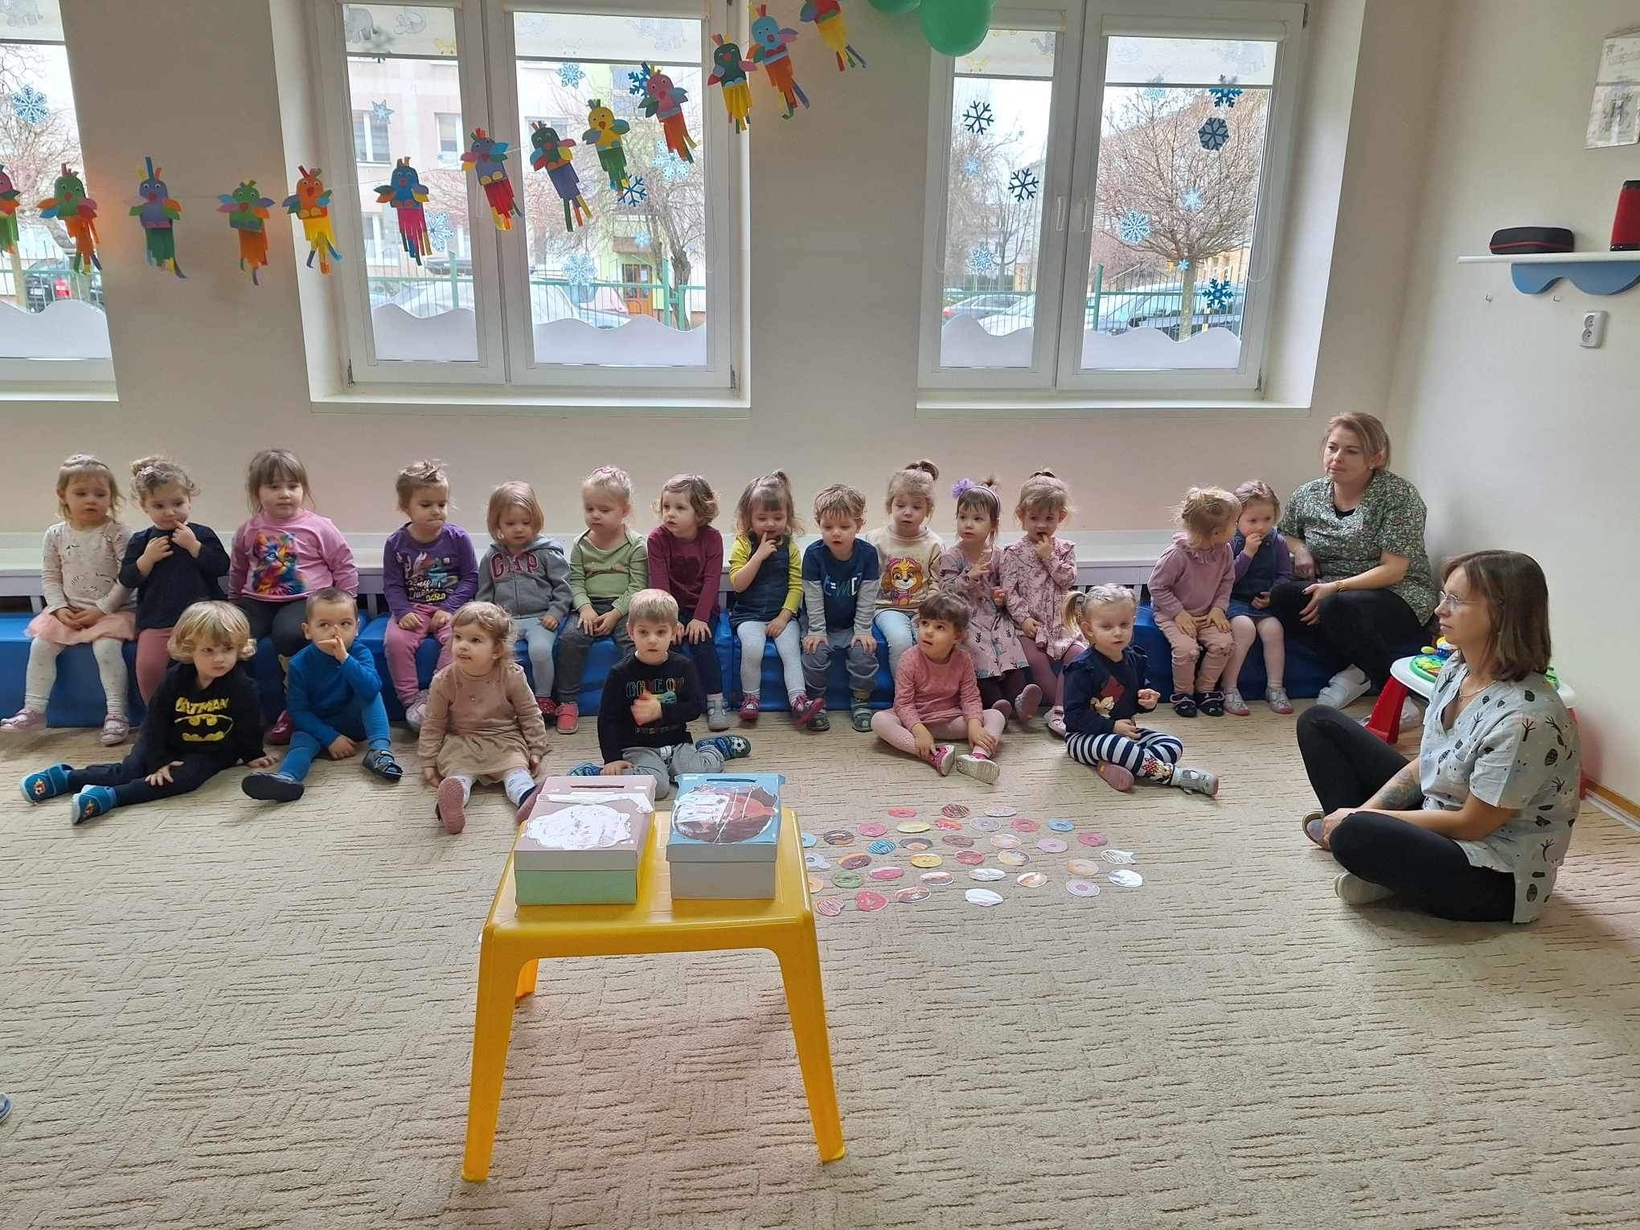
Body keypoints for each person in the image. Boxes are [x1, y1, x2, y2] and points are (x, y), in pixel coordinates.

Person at [1296, 550, 1580, 922]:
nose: (1439, 610)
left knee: (1355, 834)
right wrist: (1364, 811)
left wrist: (1357, 821)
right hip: (1441, 812)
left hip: (1494, 871)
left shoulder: (1527, 718)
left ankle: (1380, 865)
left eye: (1456, 601)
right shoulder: (1457, 668)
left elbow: (1473, 825)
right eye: (1445, 596)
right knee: (1319, 723)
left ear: (1502, 613)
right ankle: (1384, 865)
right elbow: (1429, 760)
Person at [20, 601, 273, 823]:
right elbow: (155, 723)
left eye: (227, 650)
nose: (219, 659)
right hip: (165, 742)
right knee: (130, 770)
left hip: (208, 752)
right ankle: (65, 778)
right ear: (190, 649)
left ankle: (110, 797)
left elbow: (249, 723)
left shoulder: (241, 686)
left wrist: (253, 754)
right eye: (209, 650)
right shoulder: (175, 680)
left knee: (182, 780)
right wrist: (158, 761)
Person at [1270, 413, 1436, 715]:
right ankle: (1356, 669)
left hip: (1396, 592)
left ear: (1375, 458)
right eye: (1332, 447)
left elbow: (1394, 570)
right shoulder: (1308, 494)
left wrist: (1336, 587)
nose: (1337, 458)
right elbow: (1286, 534)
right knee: (1282, 596)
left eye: (1351, 451)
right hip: (1330, 588)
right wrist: (1302, 549)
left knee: (1337, 607)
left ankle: (1396, 698)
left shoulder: (1399, 496)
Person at [1, 454, 134, 744]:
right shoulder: (55, 534)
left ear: (111, 497)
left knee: (106, 650)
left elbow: (128, 578)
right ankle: (34, 710)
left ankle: (116, 713)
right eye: (81, 493)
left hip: (113, 611)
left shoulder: (117, 533)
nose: (91, 500)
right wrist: (58, 608)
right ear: (63, 495)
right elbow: (50, 576)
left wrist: (102, 609)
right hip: (69, 610)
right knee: (41, 646)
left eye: (100, 494)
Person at [569, 588, 751, 797]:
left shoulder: (683, 667)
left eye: (661, 632)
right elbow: (607, 719)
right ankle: (597, 773)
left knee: (695, 779)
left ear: (674, 632)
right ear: (631, 632)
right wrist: (611, 759)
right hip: (638, 747)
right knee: (658, 788)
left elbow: (695, 707)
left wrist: (661, 710)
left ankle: (714, 749)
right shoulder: (620, 673)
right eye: (643, 632)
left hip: (677, 742)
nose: (652, 640)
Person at [229, 448, 357, 745]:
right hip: (256, 601)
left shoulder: (319, 527)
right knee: (230, 634)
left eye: (292, 486)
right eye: (274, 486)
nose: (285, 494)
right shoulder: (248, 530)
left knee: (289, 634)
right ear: (257, 492)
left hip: (305, 600)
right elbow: (238, 568)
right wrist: (233, 606)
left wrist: (346, 605)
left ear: (303, 489)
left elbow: (343, 564)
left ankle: (292, 708)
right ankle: (242, 707)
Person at [241, 588, 403, 801]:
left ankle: (380, 752)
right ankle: (287, 778)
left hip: (355, 721)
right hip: (319, 724)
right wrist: (330, 737)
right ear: (308, 631)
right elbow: (298, 711)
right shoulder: (299, 663)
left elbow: (371, 688)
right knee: (300, 739)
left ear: (356, 628)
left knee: (371, 694)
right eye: (324, 625)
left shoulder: (359, 652)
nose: (335, 632)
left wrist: (345, 659)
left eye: (345, 624)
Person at [1060, 586, 1218, 796]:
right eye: (1107, 626)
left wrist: (1147, 701)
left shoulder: (1135, 659)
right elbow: (1073, 716)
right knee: (1119, 747)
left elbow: (1136, 697)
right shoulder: (1082, 668)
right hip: (1083, 737)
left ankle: (1120, 764)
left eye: (1124, 625)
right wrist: (1111, 726)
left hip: (1125, 733)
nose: (1118, 632)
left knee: (1173, 745)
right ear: (1089, 629)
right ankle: (1177, 776)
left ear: (1133, 622)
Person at [418, 601, 552, 835]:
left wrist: (536, 748)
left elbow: (529, 712)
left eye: (475, 640)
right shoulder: (444, 680)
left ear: (497, 650)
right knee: (458, 772)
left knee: (517, 772)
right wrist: (429, 760)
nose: (462, 645)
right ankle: (449, 806)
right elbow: (434, 721)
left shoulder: (511, 675)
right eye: (458, 637)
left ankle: (526, 799)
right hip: (463, 739)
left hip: (505, 738)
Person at [120, 455, 230, 704]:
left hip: (203, 617)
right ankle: (157, 714)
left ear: (189, 500)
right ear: (144, 506)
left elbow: (221, 566)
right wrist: (146, 560)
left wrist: (195, 547)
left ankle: (213, 708)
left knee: (212, 665)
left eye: (178, 503)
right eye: (159, 506)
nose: (170, 512)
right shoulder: (141, 540)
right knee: (149, 667)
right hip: (158, 619)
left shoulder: (201, 534)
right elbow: (127, 578)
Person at [382, 460, 478, 732]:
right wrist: (402, 612)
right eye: (426, 505)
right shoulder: (395, 543)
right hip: (413, 607)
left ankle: (438, 694)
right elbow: (392, 585)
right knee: (395, 641)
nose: (436, 510)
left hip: (450, 607)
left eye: (442, 504)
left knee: (460, 641)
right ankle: (412, 702)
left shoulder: (458, 537)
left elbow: (471, 577)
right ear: (406, 507)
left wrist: (449, 607)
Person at [870, 590, 1004, 783]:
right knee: (879, 720)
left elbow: (970, 697)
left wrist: (974, 726)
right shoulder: (909, 658)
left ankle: (978, 757)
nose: (928, 631)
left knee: (996, 715)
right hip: (916, 720)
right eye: (924, 623)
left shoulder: (963, 659)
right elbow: (903, 704)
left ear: (957, 636)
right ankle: (934, 754)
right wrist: (919, 731)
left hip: (950, 719)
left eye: (939, 627)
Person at [937, 478, 1040, 725]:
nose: (968, 524)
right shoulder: (952, 556)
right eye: (962, 517)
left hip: (994, 617)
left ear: (992, 524)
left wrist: (1000, 597)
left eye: (977, 518)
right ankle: (994, 705)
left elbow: (1005, 588)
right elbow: (945, 592)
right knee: (977, 651)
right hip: (966, 618)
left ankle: (1020, 700)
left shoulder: (999, 555)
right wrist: (968, 576)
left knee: (1008, 645)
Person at [554, 465, 647, 735]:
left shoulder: (636, 545)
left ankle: (636, 701)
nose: (595, 515)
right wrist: (585, 608)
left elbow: (637, 586)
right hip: (588, 606)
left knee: (634, 642)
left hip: (624, 607)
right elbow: (575, 582)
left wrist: (616, 613)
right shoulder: (581, 544)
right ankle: (568, 702)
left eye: (604, 510)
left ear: (624, 510)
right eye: (589, 508)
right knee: (570, 640)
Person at [727, 471, 821, 727]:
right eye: (762, 518)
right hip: (749, 615)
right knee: (753, 648)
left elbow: (796, 587)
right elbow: (738, 584)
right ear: (748, 518)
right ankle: (750, 699)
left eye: (778, 517)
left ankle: (799, 700)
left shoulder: (790, 547)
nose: (770, 524)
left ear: (787, 517)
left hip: (781, 615)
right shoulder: (743, 544)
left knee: (790, 651)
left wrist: (783, 617)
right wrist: (758, 556)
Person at [474, 481, 572, 720]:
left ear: (535, 520)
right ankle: (502, 700)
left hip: (540, 618)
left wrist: (555, 612)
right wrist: (488, 619)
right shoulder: (491, 556)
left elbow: (564, 587)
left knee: (539, 651)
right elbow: (484, 593)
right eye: (510, 523)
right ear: (497, 523)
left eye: (526, 523)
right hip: (506, 620)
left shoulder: (547, 551)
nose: (519, 529)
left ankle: (543, 698)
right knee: (496, 654)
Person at [998, 470, 1085, 737]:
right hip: (1029, 625)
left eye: (1049, 518)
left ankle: (1060, 710)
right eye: (1034, 518)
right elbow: (1009, 592)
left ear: (1061, 517)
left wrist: (1049, 557)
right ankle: (1058, 708)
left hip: (1061, 623)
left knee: (1077, 656)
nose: (1041, 525)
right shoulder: (1012, 552)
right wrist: (1024, 619)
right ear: (1021, 515)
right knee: (1035, 659)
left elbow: (1067, 580)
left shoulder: (1065, 549)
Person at [647, 473, 730, 731]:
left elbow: (712, 581)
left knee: (702, 643)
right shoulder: (657, 539)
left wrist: (700, 618)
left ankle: (715, 700)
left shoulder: (712, 538)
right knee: (670, 645)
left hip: (701, 609)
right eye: (666, 506)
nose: (670, 514)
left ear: (700, 514)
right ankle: (673, 700)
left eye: (680, 508)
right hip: (668, 608)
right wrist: (670, 621)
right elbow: (660, 584)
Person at [1149, 487, 1239, 717]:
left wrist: (1218, 608)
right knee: (1186, 650)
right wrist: (1178, 613)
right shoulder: (1176, 555)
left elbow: (1227, 581)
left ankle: (1205, 690)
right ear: (1217, 532)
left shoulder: (1225, 550)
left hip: (1207, 612)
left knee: (1224, 645)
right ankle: (1183, 694)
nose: (1237, 527)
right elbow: (1157, 587)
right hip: (1173, 613)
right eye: (1234, 523)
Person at [800, 483, 881, 732]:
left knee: (864, 654)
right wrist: (816, 630)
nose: (836, 533)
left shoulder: (868, 554)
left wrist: (863, 629)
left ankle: (861, 700)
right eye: (828, 527)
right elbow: (812, 597)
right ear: (819, 524)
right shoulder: (813, 555)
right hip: (820, 623)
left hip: (851, 624)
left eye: (844, 527)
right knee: (813, 655)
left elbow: (868, 596)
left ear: (859, 525)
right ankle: (817, 701)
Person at [1219, 479, 1293, 716]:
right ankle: (1229, 688)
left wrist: (1273, 594)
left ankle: (1275, 687)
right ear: (1236, 519)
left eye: (1267, 519)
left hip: (1263, 603)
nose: (1261, 527)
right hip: (1235, 599)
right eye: (1252, 521)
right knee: (1244, 628)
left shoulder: (1277, 542)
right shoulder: (1231, 542)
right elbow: (1227, 578)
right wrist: (1247, 553)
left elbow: (1285, 574)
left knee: (1274, 630)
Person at [865, 459, 945, 678]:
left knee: (929, 641)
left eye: (916, 507)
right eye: (900, 505)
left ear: (928, 510)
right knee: (900, 641)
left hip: (923, 608)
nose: (907, 512)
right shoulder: (875, 540)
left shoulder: (934, 543)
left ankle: (930, 690)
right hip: (887, 608)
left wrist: (927, 610)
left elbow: (937, 582)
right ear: (889, 505)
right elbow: (867, 580)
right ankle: (904, 692)